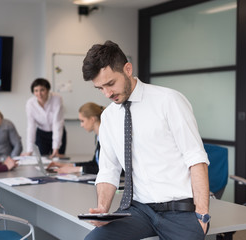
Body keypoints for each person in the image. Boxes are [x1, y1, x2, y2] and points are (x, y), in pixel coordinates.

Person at [82, 40, 210, 240]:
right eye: (100, 88)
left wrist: (202, 215)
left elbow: (196, 158)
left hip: (180, 211)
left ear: (127, 69)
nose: (107, 93)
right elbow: (109, 169)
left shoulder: (168, 101)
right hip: (139, 211)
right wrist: (102, 209)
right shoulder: (108, 117)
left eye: (110, 84)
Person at [47, 102, 103, 174]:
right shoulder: (98, 137)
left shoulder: (106, 138)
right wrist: (68, 165)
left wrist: (76, 169)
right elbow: (95, 163)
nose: (81, 125)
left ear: (92, 119)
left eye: (82, 121)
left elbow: (104, 169)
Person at [22, 78, 66, 158]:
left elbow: (57, 124)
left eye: (42, 90)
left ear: (48, 90)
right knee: (42, 158)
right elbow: (31, 127)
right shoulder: (30, 104)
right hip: (41, 134)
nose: (39, 93)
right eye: (36, 91)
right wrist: (29, 150)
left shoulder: (57, 99)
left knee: (57, 158)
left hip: (58, 131)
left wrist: (55, 148)